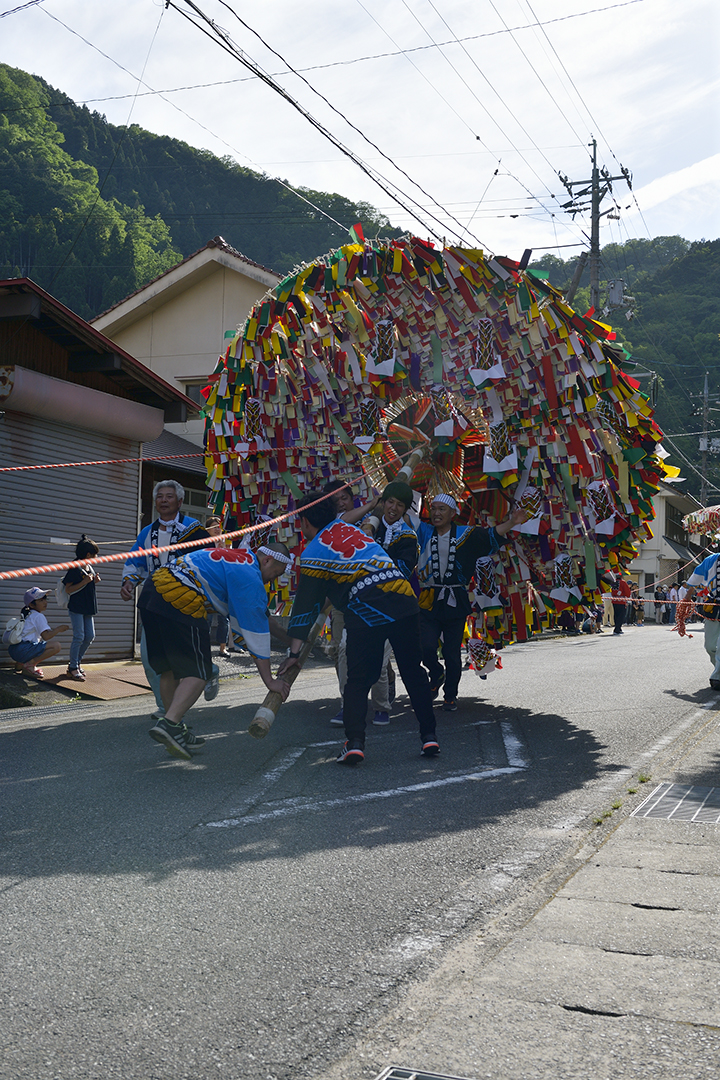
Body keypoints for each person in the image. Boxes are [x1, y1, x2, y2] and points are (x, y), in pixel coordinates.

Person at [278, 492, 439, 765]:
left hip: (367, 606)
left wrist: (294, 654)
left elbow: (305, 606)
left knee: (358, 678)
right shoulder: (350, 530)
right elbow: (326, 595)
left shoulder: (313, 552)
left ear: (304, 521)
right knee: (413, 672)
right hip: (402, 598)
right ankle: (429, 736)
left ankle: (354, 742)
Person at [139, 543, 292, 760]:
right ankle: (170, 724)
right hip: (181, 596)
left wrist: (292, 641)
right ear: (267, 560)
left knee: (170, 670)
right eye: (275, 574)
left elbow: (265, 619)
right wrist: (270, 681)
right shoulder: (250, 575)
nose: (271, 581)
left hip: (153, 590)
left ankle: (174, 725)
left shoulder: (238, 559)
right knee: (199, 671)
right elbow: (256, 632)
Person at [413, 493, 525, 711]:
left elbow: (491, 534)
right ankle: (436, 673)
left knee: (451, 653)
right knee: (425, 647)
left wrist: (512, 521)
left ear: (453, 513)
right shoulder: (423, 531)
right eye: (433, 508)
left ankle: (450, 695)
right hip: (429, 599)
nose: (436, 513)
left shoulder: (466, 534)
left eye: (442, 509)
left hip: (456, 600)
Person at [121, 480, 209, 717]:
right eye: (159, 496)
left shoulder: (194, 529)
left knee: (186, 658)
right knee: (153, 661)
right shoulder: (146, 533)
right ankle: (166, 710)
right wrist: (128, 582)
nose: (163, 500)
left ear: (180, 501)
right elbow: (135, 561)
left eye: (169, 496)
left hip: (186, 602)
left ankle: (208, 672)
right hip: (154, 602)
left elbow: (207, 561)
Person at [6, 587, 69, 679]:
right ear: (31, 604)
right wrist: (59, 629)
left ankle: (20, 665)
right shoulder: (38, 616)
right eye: (41, 600)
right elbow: (46, 636)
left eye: (45, 599)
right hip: (24, 650)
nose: (45, 602)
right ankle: (30, 665)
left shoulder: (27, 614)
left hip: (14, 649)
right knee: (56, 646)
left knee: (35, 644)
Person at [62, 535, 100, 681]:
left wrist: (93, 581)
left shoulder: (88, 566)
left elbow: (86, 585)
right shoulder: (75, 567)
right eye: (95, 554)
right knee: (79, 636)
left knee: (89, 636)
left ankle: (76, 662)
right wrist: (85, 582)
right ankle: (73, 667)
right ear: (88, 554)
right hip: (77, 607)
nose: (97, 557)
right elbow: (68, 589)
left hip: (88, 607)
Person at [686, 554, 720, 689]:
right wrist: (687, 596)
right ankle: (718, 668)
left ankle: (717, 677)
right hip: (713, 607)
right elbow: (696, 578)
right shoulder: (711, 560)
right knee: (710, 646)